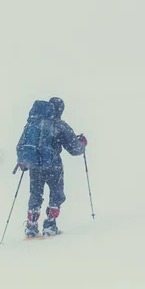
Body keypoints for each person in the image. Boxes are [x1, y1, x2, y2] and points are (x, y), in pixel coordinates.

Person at [16, 97, 88, 237]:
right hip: (53, 166)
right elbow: (74, 149)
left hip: (35, 166)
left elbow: (23, 144)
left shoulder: (33, 123)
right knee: (56, 194)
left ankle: (31, 225)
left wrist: (25, 161)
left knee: (35, 194)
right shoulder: (60, 125)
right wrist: (83, 144)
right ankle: (50, 224)